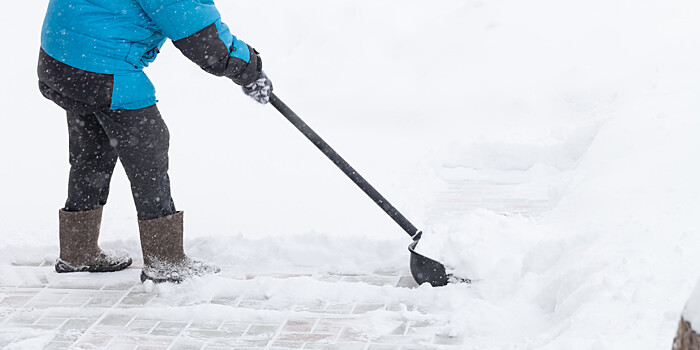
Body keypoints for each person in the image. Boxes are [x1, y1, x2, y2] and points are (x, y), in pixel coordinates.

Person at [37, 0, 272, 283]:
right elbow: (201, 38)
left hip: (62, 59)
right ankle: (165, 260)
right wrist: (248, 65)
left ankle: (78, 250)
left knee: (94, 149)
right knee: (148, 146)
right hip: (100, 67)